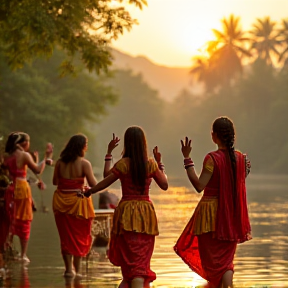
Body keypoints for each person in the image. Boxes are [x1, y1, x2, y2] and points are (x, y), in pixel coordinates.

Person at [84, 127, 168, 288]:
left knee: (131, 266)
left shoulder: (123, 164)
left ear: (127, 143)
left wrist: (90, 191)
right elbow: (164, 185)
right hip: (145, 214)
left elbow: (105, 179)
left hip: (126, 213)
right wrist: (159, 163)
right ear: (143, 143)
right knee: (140, 265)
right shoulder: (150, 165)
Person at [174, 116, 252, 288]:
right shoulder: (240, 158)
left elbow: (199, 185)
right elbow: (236, 183)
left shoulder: (212, 159)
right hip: (231, 216)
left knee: (213, 264)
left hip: (211, 217)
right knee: (226, 263)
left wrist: (187, 159)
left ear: (214, 136)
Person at [52, 134, 97, 278]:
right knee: (80, 236)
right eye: (86, 144)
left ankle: (68, 270)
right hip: (79, 204)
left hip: (61, 203)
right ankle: (77, 271)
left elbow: (54, 182)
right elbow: (94, 184)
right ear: (82, 147)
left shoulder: (59, 163)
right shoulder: (84, 164)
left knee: (65, 237)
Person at [3, 132, 52, 262]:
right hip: (22, 190)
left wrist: (36, 160)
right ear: (24, 143)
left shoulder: (7, 156)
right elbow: (37, 170)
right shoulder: (24, 155)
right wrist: (46, 158)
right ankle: (23, 254)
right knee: (24, 220)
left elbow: (17, 174)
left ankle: (7, 250)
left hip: (10, 189)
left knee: (11, 218)